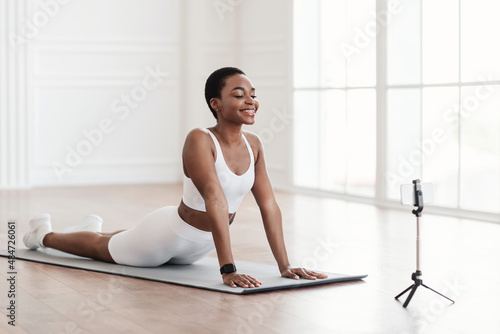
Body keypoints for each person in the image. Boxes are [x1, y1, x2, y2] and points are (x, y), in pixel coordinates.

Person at [23, 67, 327, 288]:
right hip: (167, 236)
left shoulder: (255, 144)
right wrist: (228, 268)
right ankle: (42, 235)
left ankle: (92, 228)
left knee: (120, 239)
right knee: (99, 251)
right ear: (215, 104)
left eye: (253, 95)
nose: (250, 101)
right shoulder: (199, 139)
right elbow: (214, 198)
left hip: (198, 248)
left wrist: (285, 265)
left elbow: (269, 204)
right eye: (239, 94)